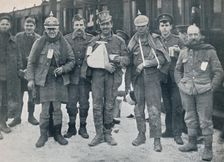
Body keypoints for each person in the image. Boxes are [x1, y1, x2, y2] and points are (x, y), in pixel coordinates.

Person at [175, 24, 224, 161]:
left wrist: (212, 87)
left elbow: (219, 71)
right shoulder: (184, 51)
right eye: (190, 35)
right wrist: (180, 83)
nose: (193, 37)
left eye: (195, 34)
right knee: (189, 117)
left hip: (204, 90)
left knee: (205, 120)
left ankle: (208, 149)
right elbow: (177, 69)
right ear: (187, 35)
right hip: (186, 90)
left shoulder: (209, 51)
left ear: (200, 36)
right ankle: (192, 143)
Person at [26, 12, 75, 147]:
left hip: (59, 80)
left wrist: (63, 69)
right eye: (49, 29)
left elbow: (72, 60)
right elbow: (30, 62)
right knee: (45, 108)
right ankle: (43, 135)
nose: (52, 31)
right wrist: (30, 79)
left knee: (58, 108)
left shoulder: (64, 43)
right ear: (45, 29)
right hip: (44, 80)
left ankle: (58, 134)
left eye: (54, 28)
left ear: (58, 28)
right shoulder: (39, 42)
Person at [128, 14, 170, 152]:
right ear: (135, 27)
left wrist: (146, 63)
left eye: (143, 26)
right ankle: (141, 135)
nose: (141, 29)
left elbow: (163, 58)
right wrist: (127, 83)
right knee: (138, 110)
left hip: (152, 79)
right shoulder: (132, 42)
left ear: (147, 26)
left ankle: (157, 140)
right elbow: (129, 64)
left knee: (154, 110)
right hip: (138, 80)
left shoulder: (155, 40)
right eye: (138, 27)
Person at [87, 10, 129, 147]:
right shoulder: (93, 41)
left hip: (113, 78)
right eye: (103, 24)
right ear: (99, 26)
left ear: (112, 24)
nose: (105, 27)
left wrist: (116, 59)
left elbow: (127, 60)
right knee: (97, 105)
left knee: (110, 105)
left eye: (107, 24)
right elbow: (88, 60)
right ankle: (99, 134)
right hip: (97, 78)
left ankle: (108, 133)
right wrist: (103, 65)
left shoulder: (119, 41)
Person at [63, 14, 93, 139]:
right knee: (71, 103)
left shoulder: (91, 39)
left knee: (84, 103)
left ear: (85, 26)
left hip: (85, 78)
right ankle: (71, 126)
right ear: (73, 26)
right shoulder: (66, 39)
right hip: (71, 77)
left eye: (81, 25)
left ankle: (83, 127)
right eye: (77, 25)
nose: (79, 28)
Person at [157, 14, 184, 145]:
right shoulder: (156, 41)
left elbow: (187, 56)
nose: (165, 28)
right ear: (159, 27)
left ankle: (177, 133)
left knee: (177, 106)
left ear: (171, 26)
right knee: (167, 106)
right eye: (162, 26)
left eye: (167, 25)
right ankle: (168, 130)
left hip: (175, 78)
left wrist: (180, 51)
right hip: (162, 78)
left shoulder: (178, 40)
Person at [9, 16, 40, 127]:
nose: (29, 27)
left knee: (32, 96)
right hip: (19, 70)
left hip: (32, 72)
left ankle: (31, 116)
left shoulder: (38, 38)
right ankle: (17, 118)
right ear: (24, 25)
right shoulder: (18, 37)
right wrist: (19, 69)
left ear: (34, 27)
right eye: (27, 25)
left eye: (31, 26)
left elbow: (39, 56)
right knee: (18, 96)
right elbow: (14, 53)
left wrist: (30, 69)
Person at [0, 15, 22, 140]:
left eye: (6, 24)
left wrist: (19, 69)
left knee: (5, 101)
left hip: (9, 76)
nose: (4, 26)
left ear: (10, 26)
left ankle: (2, 122)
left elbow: (18, 57)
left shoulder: (13, 40)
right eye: (2, 24)